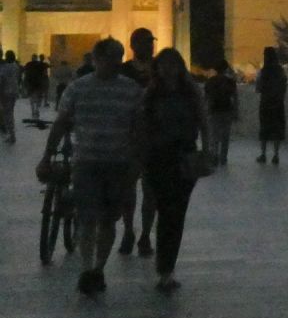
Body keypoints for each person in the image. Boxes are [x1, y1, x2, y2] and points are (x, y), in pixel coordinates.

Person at [37, 38, 143, 296]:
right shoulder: (77, 88)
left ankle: (98, 268)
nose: (116, 62)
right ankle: (88, 269)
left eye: (119, 57)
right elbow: (61, 123)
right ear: (96, 60)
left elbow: (139, 130)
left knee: (107, 220)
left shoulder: (132, 90)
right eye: (110, 58)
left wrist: (137, 162)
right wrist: (47, 155)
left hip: (118, 162)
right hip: (87, 162)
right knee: (87, 218)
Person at [138, 48, 211, 292]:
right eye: (164, 64)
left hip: (184, 158)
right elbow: (142, 125)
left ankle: (166, 268)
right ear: (157, 68)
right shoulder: (151, 94)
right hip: (158, 159)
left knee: (175, 214)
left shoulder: (191, 93)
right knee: (165, 210)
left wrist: (207, 150)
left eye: (173, 64)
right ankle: (165, 269)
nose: (168, 69)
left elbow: (203, 121)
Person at [120, 28, 158, 258]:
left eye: (151, 42)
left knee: (150, 192)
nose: (151, 46)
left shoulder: (160, 69)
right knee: (128, 191)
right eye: (146, 43)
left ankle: (144, 234)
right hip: (129, 139)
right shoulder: (123, 71)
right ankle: (128, 231)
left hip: (154, 139)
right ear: (135, 45)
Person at [255, 47, 287, 164]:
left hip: (265, 103)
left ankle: (263, 154)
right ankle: (276, 155)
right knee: (277, 130)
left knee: (264, 129)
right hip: (278, 104)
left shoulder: (263, 71)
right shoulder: (280, 71)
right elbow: (284, 85)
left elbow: (258, 88)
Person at [204, 61, 239, 166]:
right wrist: (236, 111)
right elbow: (235, 97)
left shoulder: (210, 82)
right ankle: (223, 158)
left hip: (214, 111)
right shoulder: (230, 82)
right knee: (225, 135)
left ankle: (214, 155)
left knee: (214, 135)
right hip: (227, 110)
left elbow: (206, 98)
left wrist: (205, 110)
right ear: (225, 69)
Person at [22, 53, 50, 122]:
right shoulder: (40, 64)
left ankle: (33, 111)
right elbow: (47, 67)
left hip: (31, 84)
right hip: (38, 84)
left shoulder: (28, 64)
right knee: (37, 99)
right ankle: (36, 111)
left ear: (32, 58)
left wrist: (25, 83)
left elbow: (26, 73)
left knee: (32, 99)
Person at [0, 50, 20, 144]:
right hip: (14, 92)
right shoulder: (15, 66)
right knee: (9, 113)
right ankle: (11, 134)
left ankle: (11, 135)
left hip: (5, 92)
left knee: (7, 114)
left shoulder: (5, 68)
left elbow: (1, 79)